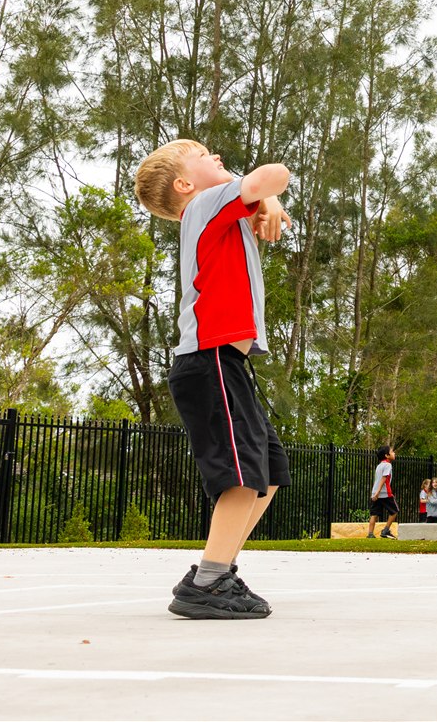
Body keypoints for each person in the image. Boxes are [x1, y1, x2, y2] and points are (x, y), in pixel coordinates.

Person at [137, 138, 291, 620]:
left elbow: (263, 196)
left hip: (224, 363)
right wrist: (268, 195)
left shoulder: (218, 211)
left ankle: (217, 569)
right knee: (242, 476)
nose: (217, 157)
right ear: (185, 184)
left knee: (268, 473)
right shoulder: (204, 204)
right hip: (210, 360)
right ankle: (208, 581)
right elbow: (275, 174)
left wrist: (265, 203)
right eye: (204, 156)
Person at [367, 445, 399, 539]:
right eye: (392, 452)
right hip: (385, 493)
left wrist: (375, 493)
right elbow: (384, 479)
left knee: (374, 514)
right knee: (394, 511)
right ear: (387, 455)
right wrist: (378, 492)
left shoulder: (379, 466)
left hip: (375, 493)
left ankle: (370, 534)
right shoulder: (388, 465)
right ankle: (386, 530)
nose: (394, 453)